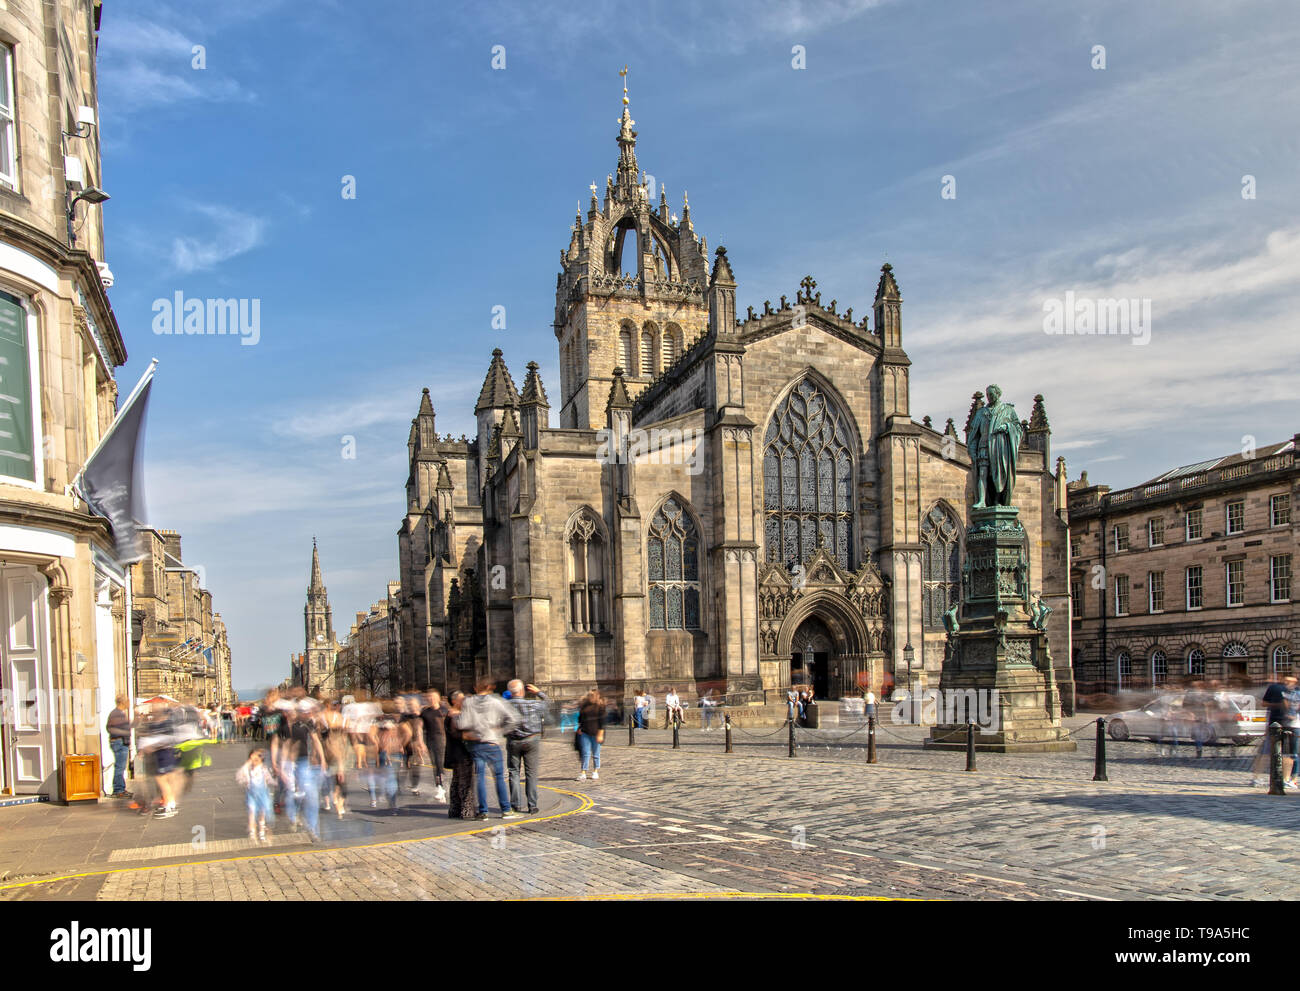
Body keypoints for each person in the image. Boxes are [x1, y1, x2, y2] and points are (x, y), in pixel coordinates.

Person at [459, 678, 522, 820]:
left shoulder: (468, 702)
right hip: (492, 743)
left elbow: (462, 723)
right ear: (489, 687)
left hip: (476, 744)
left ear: (476, 688)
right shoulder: (496, 701)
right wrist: (500, 731)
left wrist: (474, 729)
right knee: (499, 777)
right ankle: (506, 810)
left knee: (480, 777)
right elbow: (514, 718)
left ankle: (483, 812)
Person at [506, 679, 548, 814]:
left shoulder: (505, 705)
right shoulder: (532, 703)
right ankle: (532, 805)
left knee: (514, 772)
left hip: (513, 741)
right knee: (531, 773)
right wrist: (539, 692)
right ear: (522, 691)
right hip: (531, 740)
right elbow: (547, 703)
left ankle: (515, 805)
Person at [1251, 676, 1299, 789]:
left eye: (1292, 681)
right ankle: (1256, 778)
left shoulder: (1296, 692)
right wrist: (1279, 705)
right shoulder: (1275, 688)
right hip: (1276, 723)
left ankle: (1286, 780)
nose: (1289, 682)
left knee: (1289, 754)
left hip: (1292, 725)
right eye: (1287, 680)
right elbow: (1264, 703)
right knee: (1266, 752)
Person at [444, 691, 476, 819]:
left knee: (457, 781)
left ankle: (455, 809)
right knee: (465, 782)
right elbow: (459, 735)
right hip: (461, 753)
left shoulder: (452, 714)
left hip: (455, 753)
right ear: (455, 701)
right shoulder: (454, 715)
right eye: (462, 699)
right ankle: (467, 811)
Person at [237, 747, 275, 845]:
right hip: (252, 795)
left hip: (262, 794)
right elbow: (239, 775)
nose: (256, 759)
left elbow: (269, 779)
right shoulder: (248, 769)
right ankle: (253, 834)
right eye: (253, 757)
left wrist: (275, 782)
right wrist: (248, 762)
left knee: (262, 814)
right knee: (252, 813)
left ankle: (262, 834)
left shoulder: (263, 769)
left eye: (258, 757)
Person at [420, 691, 449, 803]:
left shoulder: (443, 710)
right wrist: (421, 742)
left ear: (437, 698)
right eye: (428, 697)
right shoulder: (425, 712)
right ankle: (440, 787)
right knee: (435, 764)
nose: (430, 699)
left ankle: (442, 786)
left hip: (442, 738)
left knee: (440, 763)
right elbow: (421, 727)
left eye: (432, 697)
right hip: (430, 739)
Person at [106, 694, 132, 798]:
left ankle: (120, 788)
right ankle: (118, 790)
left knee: (120, 766)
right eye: (128, 701)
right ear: (123, 702)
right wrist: (124, 733)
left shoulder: (119, 713)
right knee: (120, 767)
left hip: (120, 741)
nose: (129, 704)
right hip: (119, 742)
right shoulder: (116, 714)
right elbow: (110, 728)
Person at [577, 689, 606, 781]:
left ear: (597, 696)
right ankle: (583, 772)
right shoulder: (584, 706)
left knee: (596, 753)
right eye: (590, 695)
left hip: (596, 733)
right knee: (585, 753)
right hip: (585, 732)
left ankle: (595, 771)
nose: (591, 697)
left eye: (592, 695)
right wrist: (580, 728)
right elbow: (580, 718)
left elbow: (602, 722)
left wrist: (600, 734)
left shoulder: (600, 706)